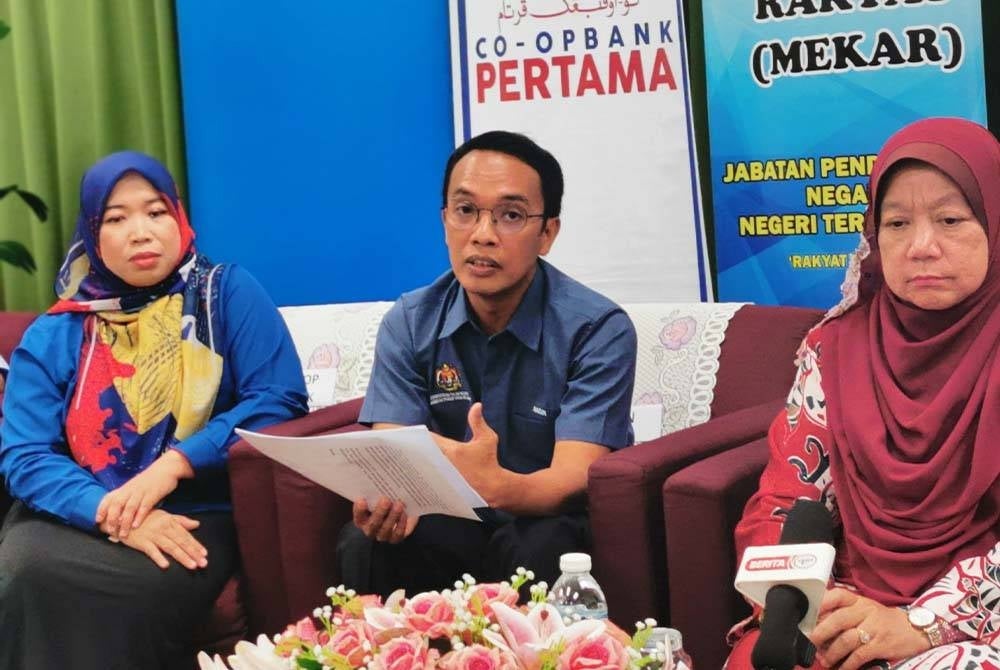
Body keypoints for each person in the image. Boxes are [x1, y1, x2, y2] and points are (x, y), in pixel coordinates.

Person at [0, 151, 309, 669]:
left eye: (156, 211)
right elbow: (25, 454)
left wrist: (176, 463)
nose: (141, 232)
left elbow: (277, 399)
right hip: (74, 514)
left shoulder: (226, 294)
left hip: (192, 512)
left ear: (179, 217)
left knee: (131, 595)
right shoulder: (58, 332)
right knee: (24, 570)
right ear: (92, 235)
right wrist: (109, 513)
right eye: (117, 219)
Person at [726, 117, 1000, 670]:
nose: (922, 246)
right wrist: (812, 608)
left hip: (975, 621)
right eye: (897, 223)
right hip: (847, 606)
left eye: (950, 220)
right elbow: (787, 497)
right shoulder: (837, 347)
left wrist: (923, 624)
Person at [337, 130, 637, 595]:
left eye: (510, 216)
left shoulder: (597, 328)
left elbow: (570, 478)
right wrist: (389, 499)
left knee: (546, 547)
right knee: (367, 542)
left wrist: (492, 482)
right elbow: (394, 448)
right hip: (449, 517)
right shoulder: (410, 320)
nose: (482, 235)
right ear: (444, 220)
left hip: (543, 516)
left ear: (547, 233)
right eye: (465, 211)